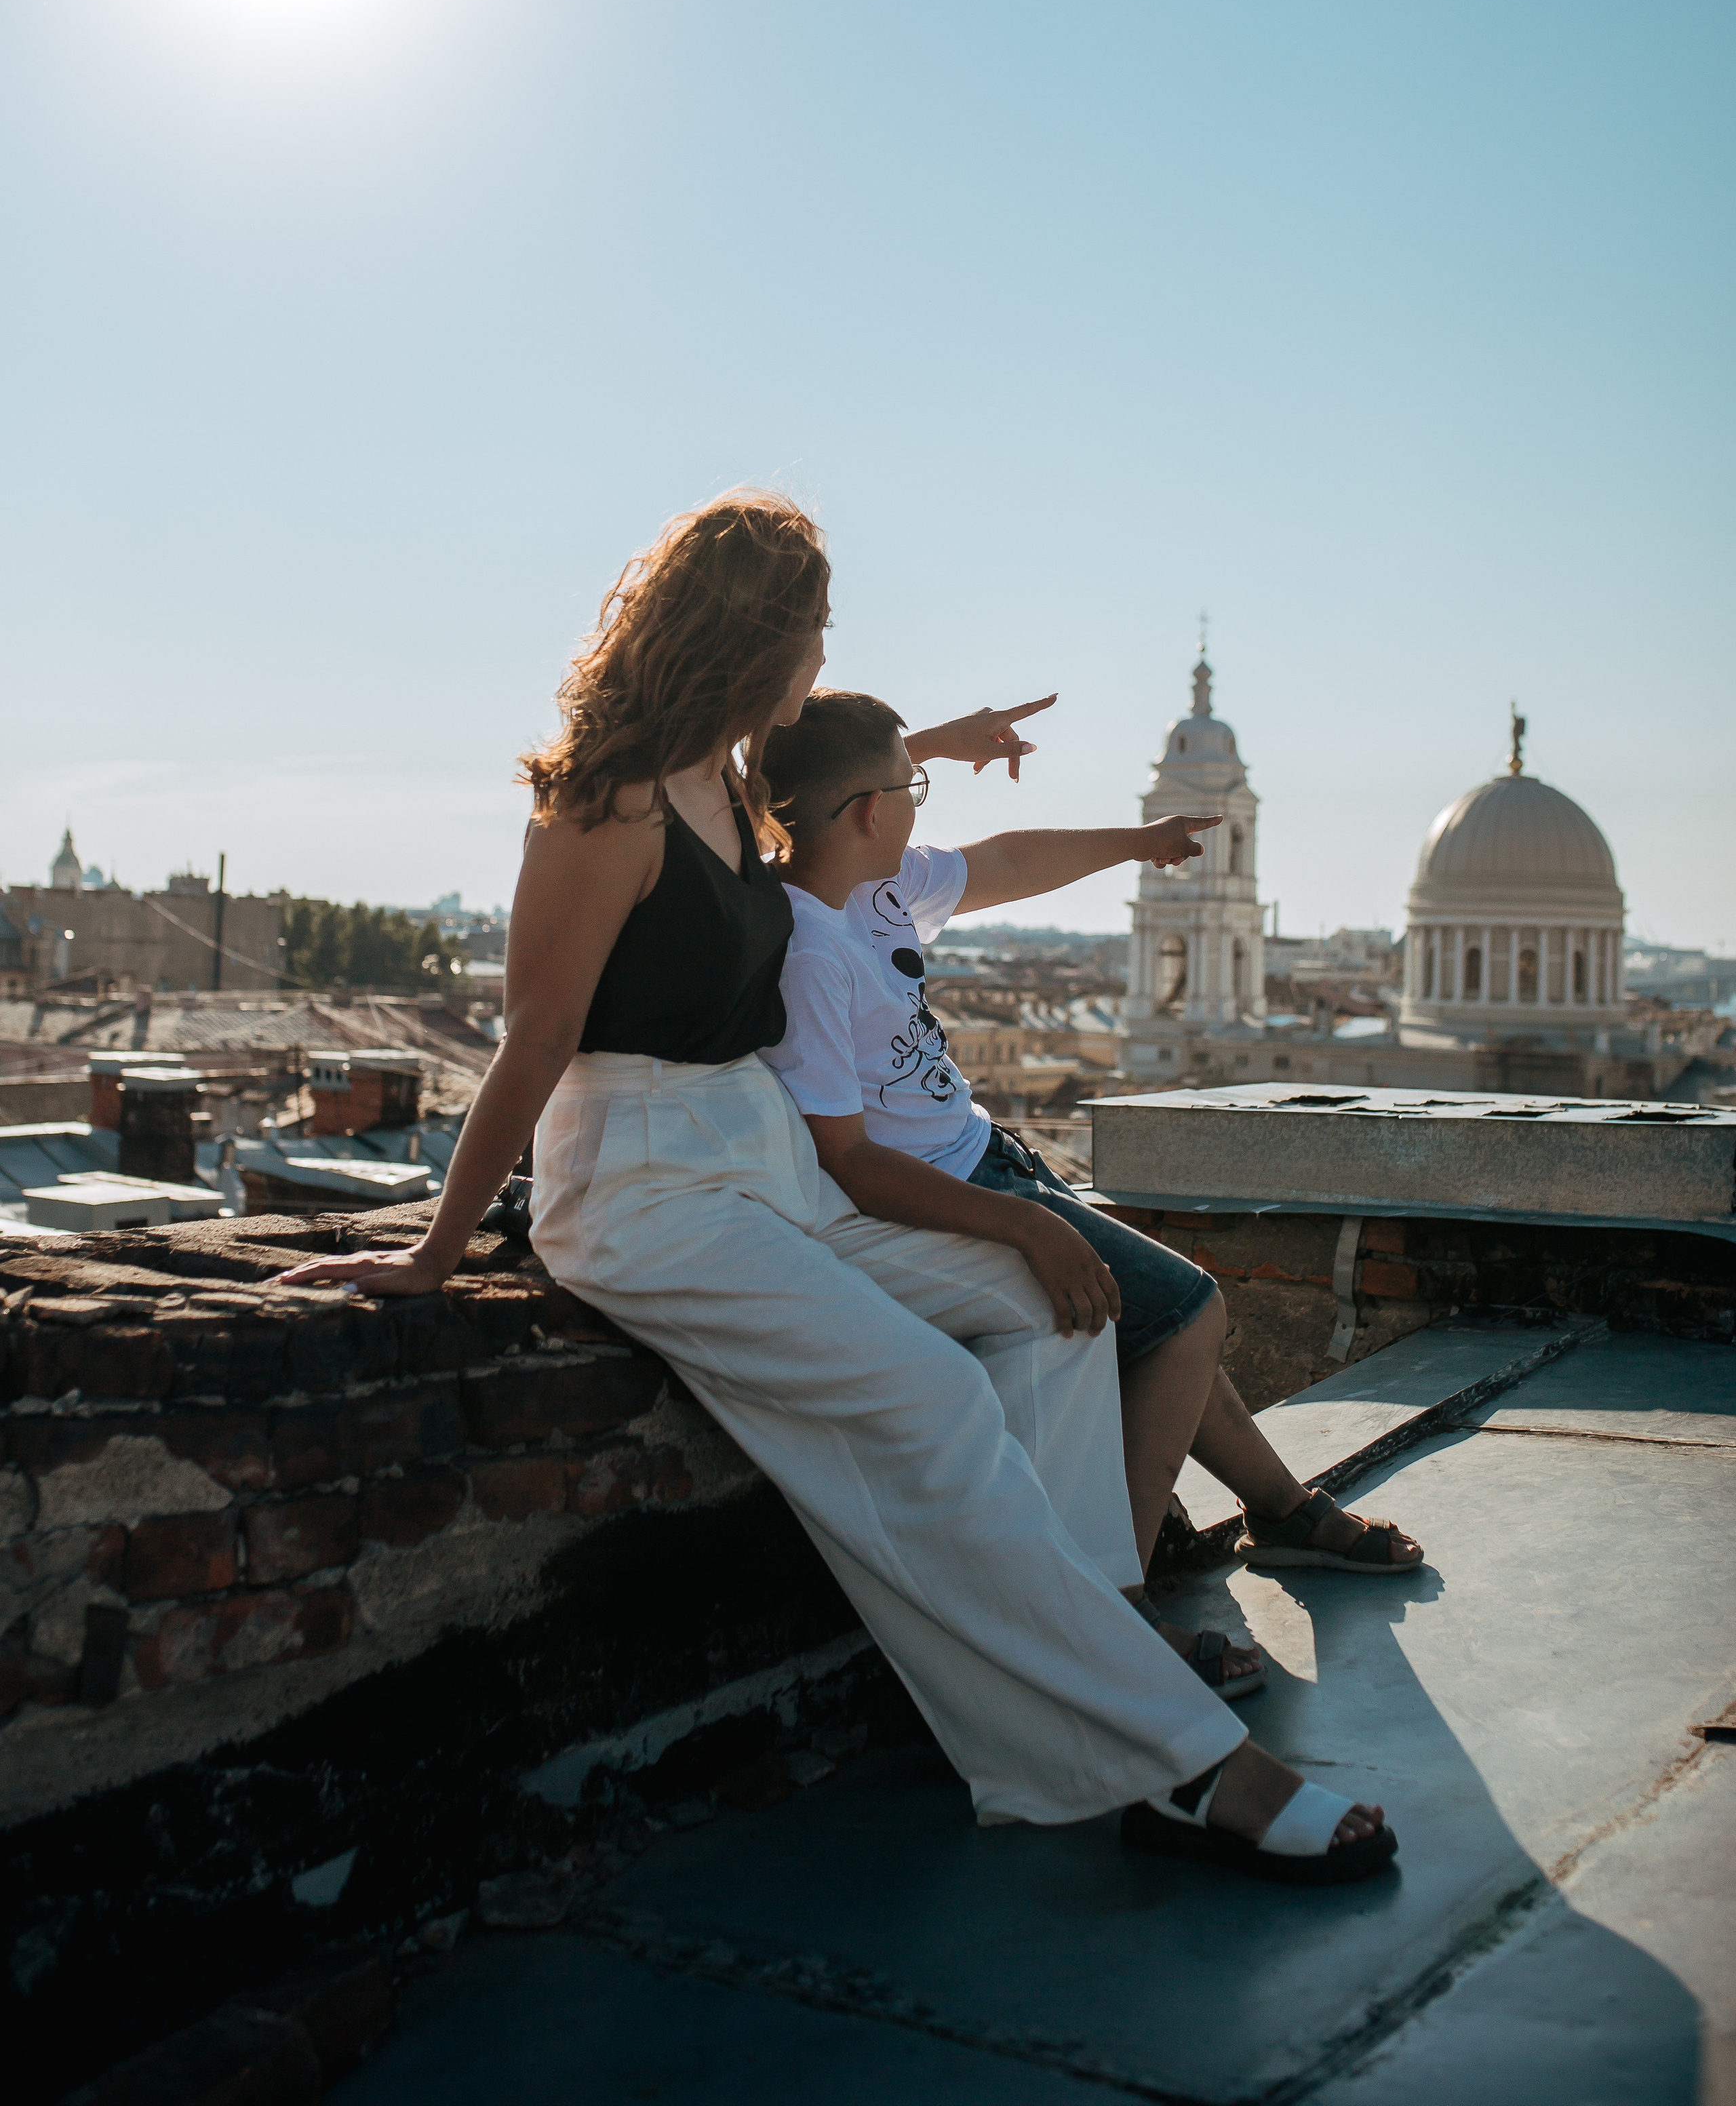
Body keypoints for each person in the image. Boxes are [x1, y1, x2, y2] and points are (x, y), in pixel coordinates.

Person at [277, 490, 1394, 1882]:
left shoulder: (726, 788)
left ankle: (1081, 1668)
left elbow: (832, 803)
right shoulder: (600, 807)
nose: (823, 652)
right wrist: (440, 1251)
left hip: (759, 1162)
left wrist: (939, 748)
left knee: (1059, 1297)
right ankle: (1179, 1762)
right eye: (813, 626)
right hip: (642, 1188)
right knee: (927, 1395)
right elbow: (536, 1036)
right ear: (750, 636)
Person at [757, 685, 1422, 1701]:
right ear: (864, 812)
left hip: (987, 1159)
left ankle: (1282, 1510)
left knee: (1160, 1314)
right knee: (1189, 1311)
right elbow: (848, 1161)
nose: (924, 802)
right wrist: (1026, 1226)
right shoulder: (809, 950)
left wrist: (1137, 841)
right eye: (915, 785)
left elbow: (1013, 860)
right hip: (955, 1192)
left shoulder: (877, 891)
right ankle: (1115, 1597)